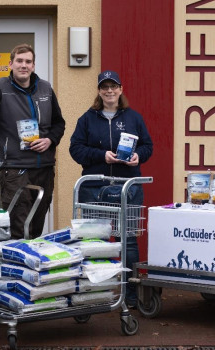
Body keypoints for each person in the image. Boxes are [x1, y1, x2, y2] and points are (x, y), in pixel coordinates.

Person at [0, 43, 65, 239]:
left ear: (33, 66)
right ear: (10, 64)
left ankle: (33, 266)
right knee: (17, 226)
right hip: (15, 169)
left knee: (36, 225)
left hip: (44, 168)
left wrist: (50, 140)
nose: (23, 65)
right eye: (19, 61)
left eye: (28, 61)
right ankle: (16, 267)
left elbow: (59, 123)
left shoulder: (46, 88)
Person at [69, 70, 153, 307]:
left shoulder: (134, 118)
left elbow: (148, 146)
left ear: (120, 89)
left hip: (127, 188)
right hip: (95, 189)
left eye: (113, 86)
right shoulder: (87, 119)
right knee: (96, 243)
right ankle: (96, 293)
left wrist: (138, 156)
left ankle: (131, 294)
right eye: (104, 87)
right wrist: (101, 156)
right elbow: (75, 149)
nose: (109, 91)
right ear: (99, 91)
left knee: (128, 241)